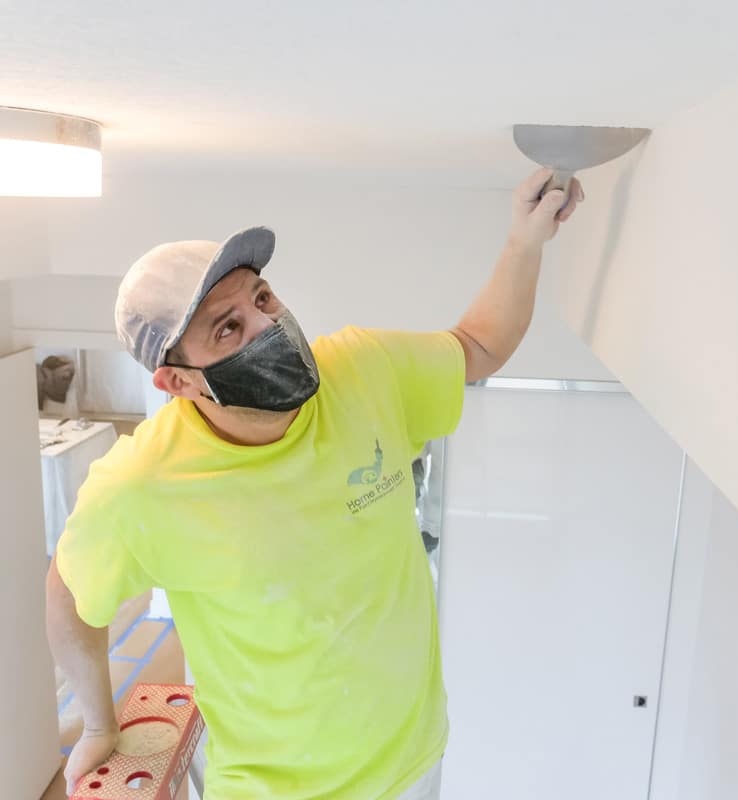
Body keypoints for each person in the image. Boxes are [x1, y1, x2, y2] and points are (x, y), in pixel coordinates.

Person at [46, 168, 583, 799]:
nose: (266, 326)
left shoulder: (364, 371)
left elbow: (478, 346)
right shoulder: (143, 486)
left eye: (263, 298)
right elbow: (67, 591)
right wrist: (98, 725)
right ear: (179, 382)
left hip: (412, 763)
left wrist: (525, 241)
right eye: (229, 328)